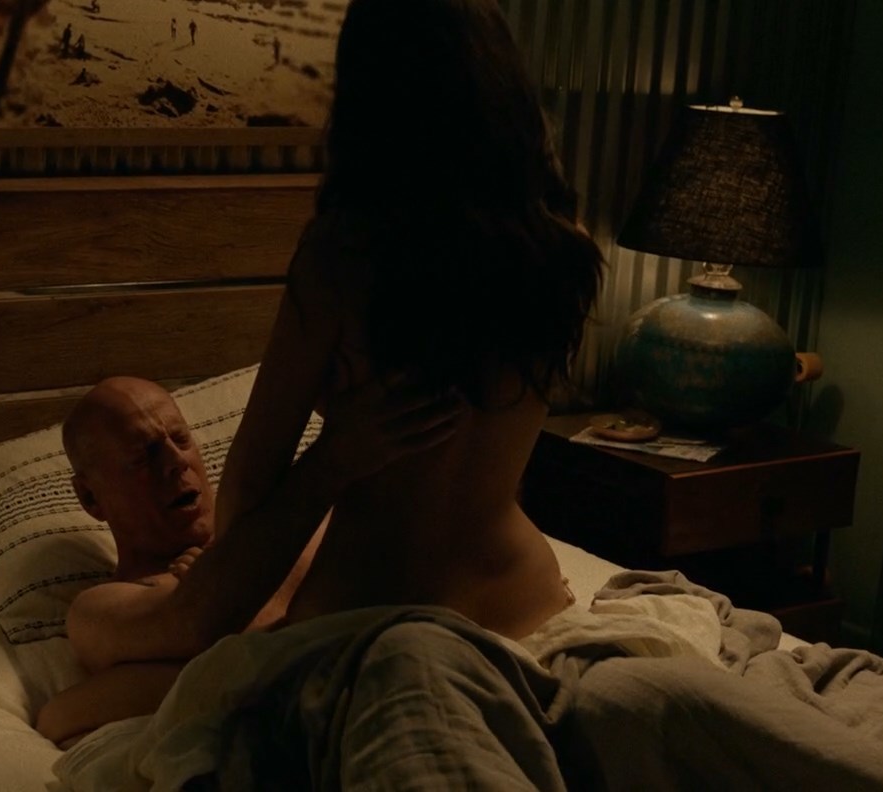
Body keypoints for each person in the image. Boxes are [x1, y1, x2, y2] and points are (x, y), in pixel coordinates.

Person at [217, 0, 602, 642]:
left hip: (372, 611)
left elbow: (246, 493)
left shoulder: (344, 258)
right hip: (528, 608)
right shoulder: (564, 249)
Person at [32, 376, 463, 745]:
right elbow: (195, 622)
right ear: (90, 497)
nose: (176, 462)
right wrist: (332, 460)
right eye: (143, 456)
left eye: (180, 439)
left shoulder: (306, 520)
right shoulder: (102, 608)